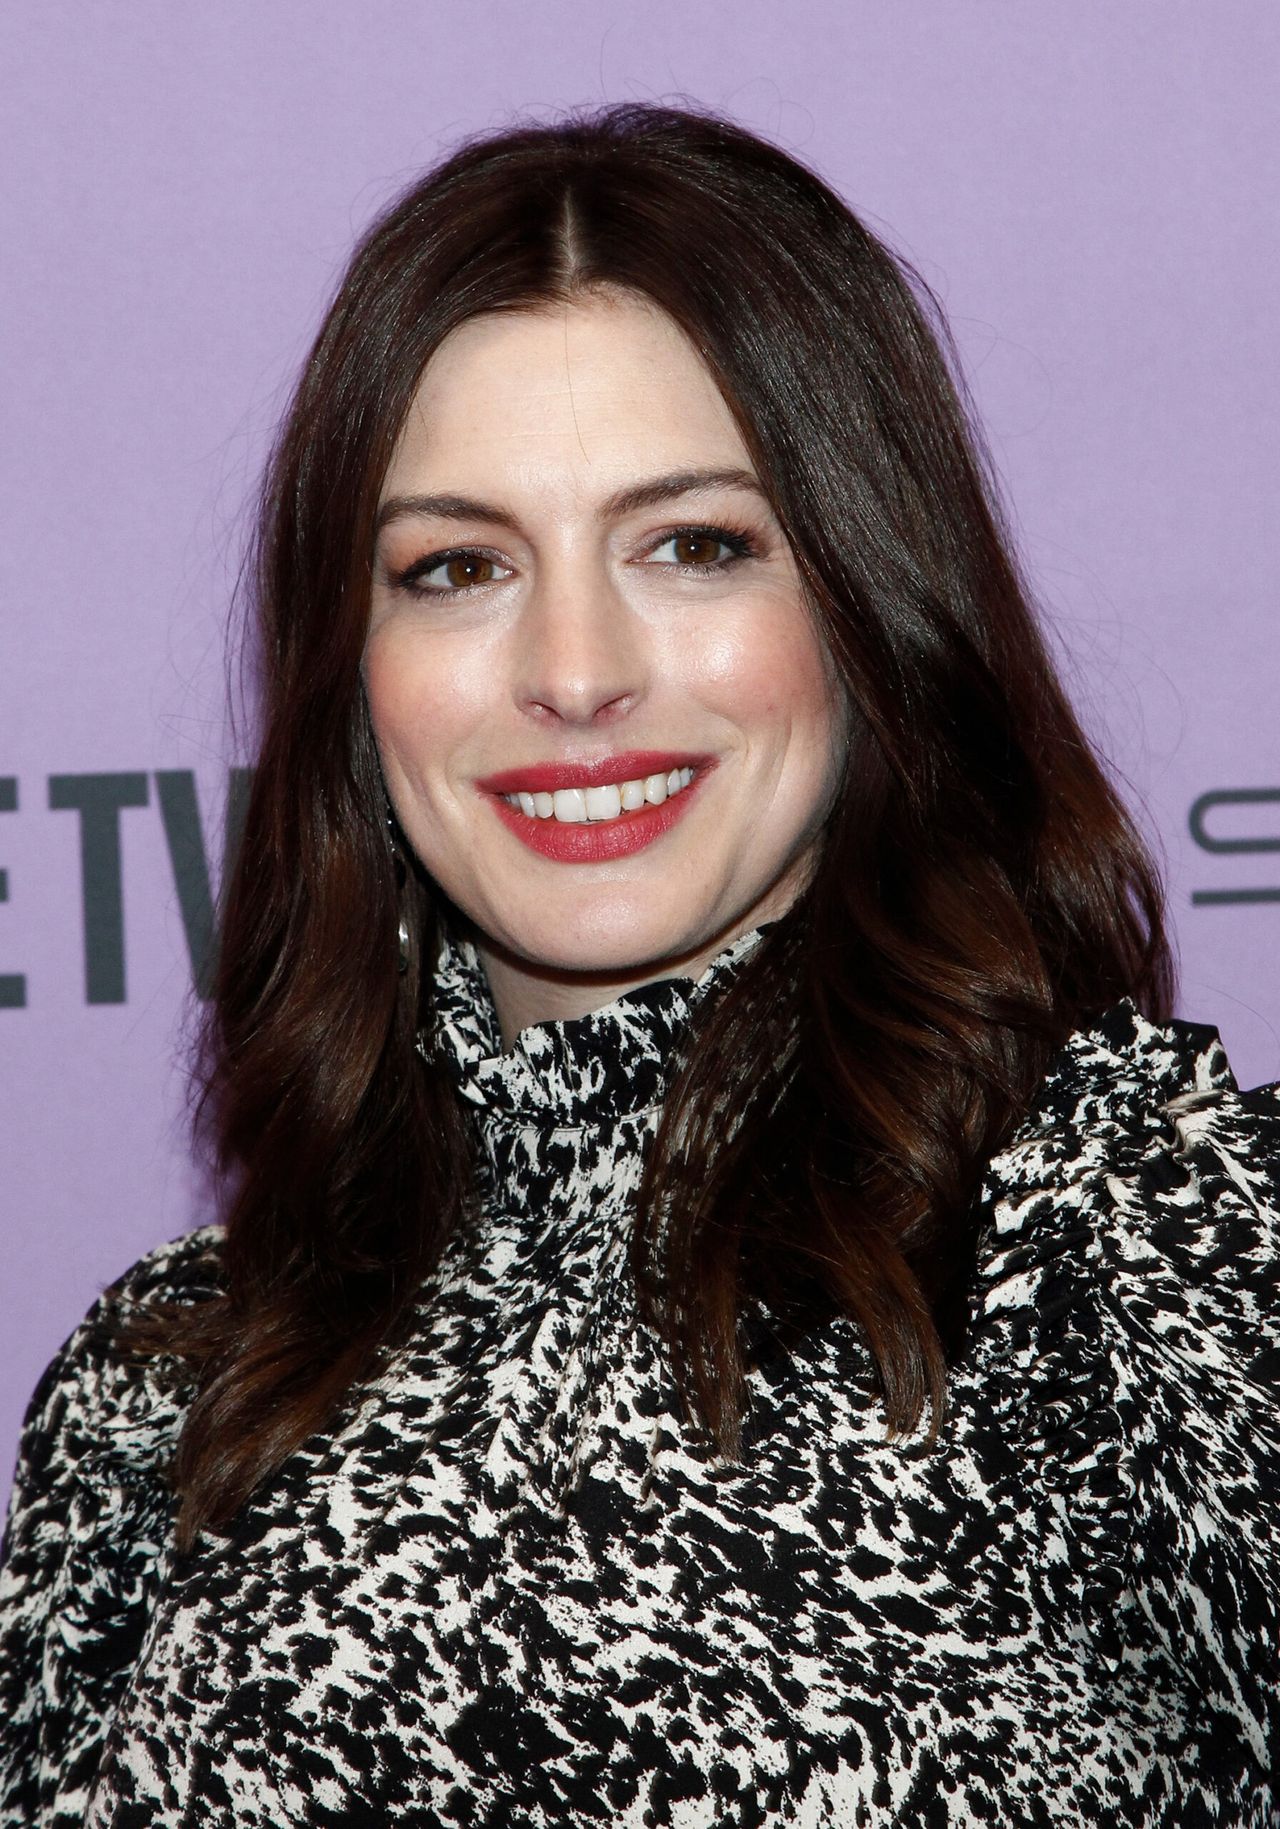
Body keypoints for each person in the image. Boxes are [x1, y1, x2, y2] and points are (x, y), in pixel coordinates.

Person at [1, 102, 1276, 1828]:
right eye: (457, 567)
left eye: (695, 544)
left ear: (865, 599)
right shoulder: (168, 1390)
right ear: (352, 671)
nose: (576, 668)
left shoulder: (1151, 1253)